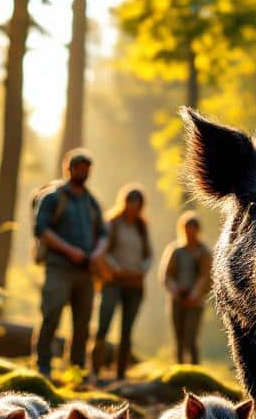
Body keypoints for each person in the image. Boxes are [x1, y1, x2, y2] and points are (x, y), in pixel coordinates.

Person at [31, 149, 107, 377]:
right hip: (59, 267)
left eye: (86, 168)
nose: (82, 171)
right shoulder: (53, 197)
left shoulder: (91, 202)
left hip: (85, 270)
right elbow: (41, 229)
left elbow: (103, 233)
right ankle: (43, 365)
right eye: (78, 167)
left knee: (82, 323)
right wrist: (68, 250)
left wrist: (97, 253)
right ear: (69, 168)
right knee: (51, 314)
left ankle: (75, 368)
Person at [92, 185, 152, 380]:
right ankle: (95, 369)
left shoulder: (142, 227)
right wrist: (117, 268)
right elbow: (104, 251)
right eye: (131, 202)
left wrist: (141, 269)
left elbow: (149, 254)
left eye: (137, 203)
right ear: (124, 202)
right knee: (104, 326)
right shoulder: (113, 223)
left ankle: (120, 373)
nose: (134, 206)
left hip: (134, 284)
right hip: (114, 282)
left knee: (127, 331)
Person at [160, 211, 212, 364]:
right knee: (178, 339)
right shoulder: (175, 251)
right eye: (187, 228)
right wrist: (174, 288)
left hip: (195, 302)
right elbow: (166, 275)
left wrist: (195, 293)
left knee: (191, 339)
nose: (190, 232)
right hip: (177, 299)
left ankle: (195, 372)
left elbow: (207, 276)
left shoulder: (203, 252)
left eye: (193, 228)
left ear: (197, 230)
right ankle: (179, 370)